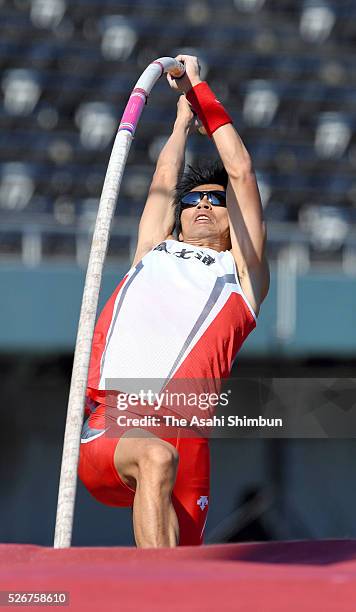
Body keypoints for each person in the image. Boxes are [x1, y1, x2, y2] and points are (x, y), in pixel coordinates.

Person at [78, 54, 269, 548]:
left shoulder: (241, 277)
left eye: (214, 199)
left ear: (234, 223)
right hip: (116, 423)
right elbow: (165, 177)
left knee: (188, 573)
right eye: (193, 201)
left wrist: (202, 90)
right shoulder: (152, 252)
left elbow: (242, 172)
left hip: (191, 437)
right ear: (177, 218)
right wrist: (184, 114)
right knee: (155, 458)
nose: (203, 204)